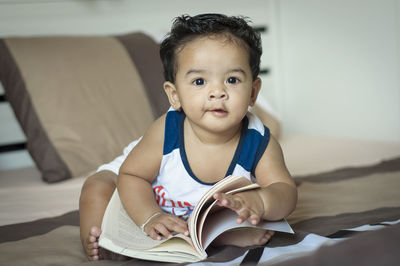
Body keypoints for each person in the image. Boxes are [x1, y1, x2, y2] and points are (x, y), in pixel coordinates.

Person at [79, 13, 297, 261]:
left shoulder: (259, 141)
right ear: (175, 95)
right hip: (142, 186)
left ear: (253, 92)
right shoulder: (167, 130)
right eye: (200, 81)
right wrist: (149, 215)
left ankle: (216, 234)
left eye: (232, 79)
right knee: (96, 188)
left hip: (202, 210)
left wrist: (262, 200)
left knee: (247, 215)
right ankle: (103, 240)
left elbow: (285, 190)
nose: (217, 92)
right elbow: (132, 175)